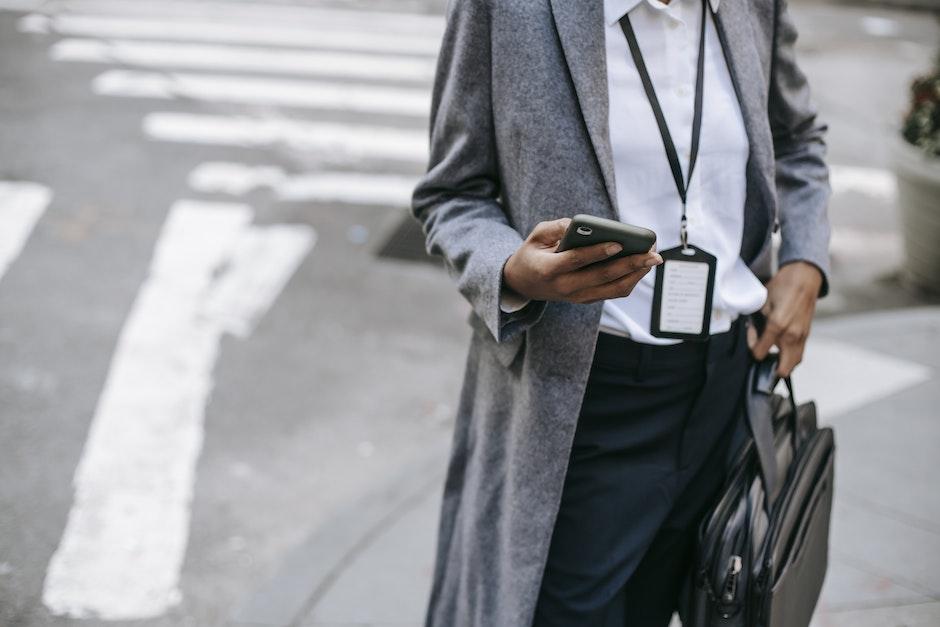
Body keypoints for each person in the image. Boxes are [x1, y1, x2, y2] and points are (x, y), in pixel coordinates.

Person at [411, 0, 830, 625]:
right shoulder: (508, 10)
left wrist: (804, 259)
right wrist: (511, 270)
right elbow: (451, 193)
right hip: (585, 402)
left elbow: (796, 140)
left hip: (727, 388)